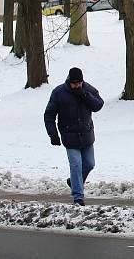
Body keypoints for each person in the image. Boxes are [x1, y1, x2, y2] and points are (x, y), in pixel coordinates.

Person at [44, 67, 104, 206]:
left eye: (79, 83)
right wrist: (53, 134)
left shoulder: (88, 89)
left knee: (89, 164)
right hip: (69, 136)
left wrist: (84, 94)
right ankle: (78, 197)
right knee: (76, 165)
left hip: (86, 135)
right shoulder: (59, 93)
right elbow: (49, 115)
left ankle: (73, 181)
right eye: (74, 83)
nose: (77, 86)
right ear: (69, 81)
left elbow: (98, 105)